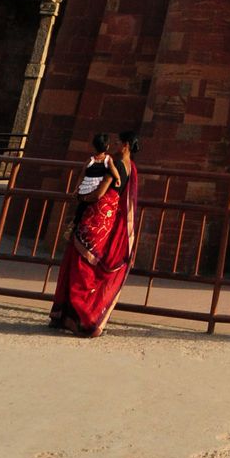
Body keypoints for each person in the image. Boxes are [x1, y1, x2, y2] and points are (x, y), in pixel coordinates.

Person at [48, 131, 139, 337]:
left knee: (81, 266)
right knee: (83, 264)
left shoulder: (114, 165)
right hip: (107, 219)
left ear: (125, 145)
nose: (114, 145)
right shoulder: (130, 168)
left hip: (95, 217)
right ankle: (71, 317)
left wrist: (82, 197)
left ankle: (83, 318)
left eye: (117, 142)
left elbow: (100, 192)